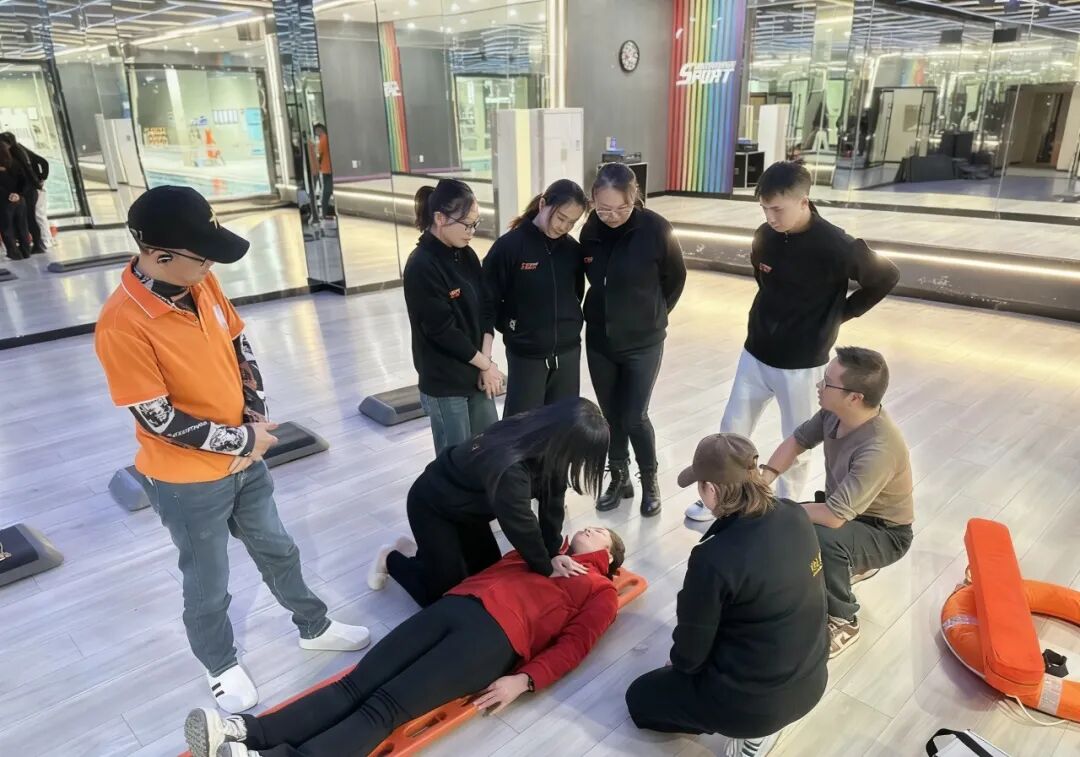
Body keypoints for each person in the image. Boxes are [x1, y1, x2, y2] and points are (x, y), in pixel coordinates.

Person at [94, 186, 369, 714]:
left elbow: (239, 343)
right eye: (201, 257)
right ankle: (219, 664)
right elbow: (157, 418)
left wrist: (255, 412)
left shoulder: (201, 281)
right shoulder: (121, 324)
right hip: (187, 480)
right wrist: (243, 440)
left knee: (278, 548)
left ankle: (314, 626)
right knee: (208, 582)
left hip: (246, 458)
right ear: (159, 255)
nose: (210, 266)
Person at [184, 526, 626, 757]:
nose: (590, 528)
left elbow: (575, 646)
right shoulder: (544, 548)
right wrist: (545, 551)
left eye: (601, 531)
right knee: (353, 685)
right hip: (455, 605)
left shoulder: (601, 589)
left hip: (495, 640)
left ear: (610, 556)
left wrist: (525, 681)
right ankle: (246, 731)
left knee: (384, 709)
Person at [685, 161, 898, 522]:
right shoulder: (765, 236)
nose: (770, 217)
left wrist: (839, 314)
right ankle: (720, 500)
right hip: (755, 352)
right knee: (731, 431)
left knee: (798, 440)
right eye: (764, 209)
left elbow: (886, 276)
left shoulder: (837, 245)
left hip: (802, 363)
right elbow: (764, 281)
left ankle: (785, 511)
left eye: (777, 209)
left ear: (803, 202)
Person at [626, 433, 827, 757]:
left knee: (639, 698)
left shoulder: (713, 558)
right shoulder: (795, 514)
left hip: (754, 706)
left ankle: (756, 730)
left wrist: (680, 666)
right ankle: (761, 719)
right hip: (813, 679)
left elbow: (689, 656)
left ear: (711, 489)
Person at [368, 397, 608, 607]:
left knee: (487, 572)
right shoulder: (512, 466)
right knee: (442, 594)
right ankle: (390, 558)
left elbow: (553, 501)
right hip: (433, 506)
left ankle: (422, 553)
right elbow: (521, 524)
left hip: (470, 511)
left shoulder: (546, 443)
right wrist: (545, 566)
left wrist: (553, 552)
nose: (579, 463)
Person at [760, 346, 913, 658]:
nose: (819, 385)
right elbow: (797, 441)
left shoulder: (879, 448)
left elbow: (832, 517)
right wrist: (765, 479)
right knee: (792, 528)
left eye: (827, 382)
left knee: (820, 536)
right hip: (847, 511)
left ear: (854, 397)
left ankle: (844, 620)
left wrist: (773, 510)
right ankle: (846, 563)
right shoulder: (834, 412)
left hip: (885, 532)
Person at [580, 163, 686, 518]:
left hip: (643, 341)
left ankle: (650, 480)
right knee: (611, 416)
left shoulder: (656, 229)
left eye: (621, 208)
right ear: (593, 200)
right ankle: (619, 478)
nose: (612, 216)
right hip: (600, 339)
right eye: (604, 209)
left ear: (635, 198)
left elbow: (675, 278)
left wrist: (654, 314)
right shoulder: (590, 229)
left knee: (635, 416)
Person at [403, 178, 502, 453]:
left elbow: (487, 308)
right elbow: (441, 330)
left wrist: (485, 363)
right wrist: (485, 365)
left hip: (477, 370)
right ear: (440, 218)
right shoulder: (421, 265)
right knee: (455, 460)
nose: (472, 232)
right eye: (467, 224)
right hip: (445, 382)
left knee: (490, 449)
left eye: (475, 224)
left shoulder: (466, 255)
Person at [483, 179, 587, 417]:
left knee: (562, 425)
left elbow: (576, 294)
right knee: (521, 427)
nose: (564, 227)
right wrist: (513, 328)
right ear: (542, 204)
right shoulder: (509, 247)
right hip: (526, 354)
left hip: (568, 353)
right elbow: (488, 300)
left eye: (572, 222)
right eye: (560, 218)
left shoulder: (572, 250)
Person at [0, 132, 47, 255]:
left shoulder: (15, 154)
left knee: (28, 219)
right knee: (28, 219)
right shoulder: (21, 150)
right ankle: (35, 245)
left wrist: (40, 179)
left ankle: (37, 245)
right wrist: (40, 179)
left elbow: (24, 172)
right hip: (28, 188)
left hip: (26, 190)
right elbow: (42, 162)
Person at [0, 140, 32, 261]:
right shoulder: (15, 164)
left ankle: (14, 253)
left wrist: (9, 195)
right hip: (20, 200)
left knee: (7, 228)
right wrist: (18, 194)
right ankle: (26, 251)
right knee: (22, 226)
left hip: (4, 201)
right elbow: (25, 181)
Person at [312, 124, 333, 218]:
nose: (315, 133)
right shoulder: (326, 138)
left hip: (326, 169)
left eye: (316, 131)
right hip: (328, 169)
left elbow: (319, 154)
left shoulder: (323, 139)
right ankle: (325, 211)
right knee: (328, 190)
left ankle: (324, 213)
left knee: (326, 192)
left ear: (320, 130)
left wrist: (317, 165)